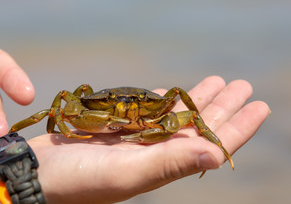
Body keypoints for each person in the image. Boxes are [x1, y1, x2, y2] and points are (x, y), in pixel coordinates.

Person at [0, 49, 270, 204]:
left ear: (152, 103)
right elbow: (60, 108)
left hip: (150, 119)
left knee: (191, 115)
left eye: (135, 103)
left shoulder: (163, 110)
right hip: (97, 118)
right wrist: (62, 133)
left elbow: (189, 115)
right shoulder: (86, 104)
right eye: (111, 102)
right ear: (102, 100)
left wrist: (212, 139)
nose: (124, 107)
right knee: (55, 107)